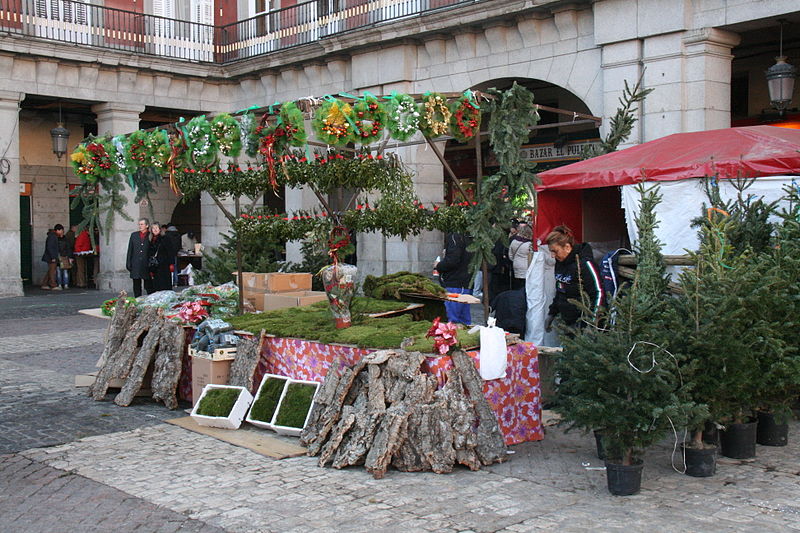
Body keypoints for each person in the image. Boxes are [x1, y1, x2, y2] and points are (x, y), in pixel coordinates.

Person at [544, 225, 602, 331]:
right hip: (568, 322)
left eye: (555, 251)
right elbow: (560, 290)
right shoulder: (560, 263)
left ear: (567, 247)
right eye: (550, 251)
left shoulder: (585, 264)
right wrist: (552, 313)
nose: (552, 256)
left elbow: (598, 293)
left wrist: (592, 324)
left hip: (584, 323)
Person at [434, 232, 473, 325]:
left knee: (453, 320)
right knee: (463, 320)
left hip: (455, 283)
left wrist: (438, 265)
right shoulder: (466, 237)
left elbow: (452, 260)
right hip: (463, 283)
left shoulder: (455, 237)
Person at [147, 222, 176, 292]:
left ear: (160, 229)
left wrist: (172, 263)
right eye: (153, 228)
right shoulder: (152, 240)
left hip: (164, 265)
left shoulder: (165, 238)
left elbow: (170, 251)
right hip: (155, 266)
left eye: (156, 228)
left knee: (164, 285)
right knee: (156, 285)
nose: (155, 230)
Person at [126, 218, 150, 297]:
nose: (140, 226)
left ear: (147, 225)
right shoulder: (134, 235)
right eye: (139, 224)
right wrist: (128, 263)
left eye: (142, 224)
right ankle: (137, 299)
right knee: (136, 285)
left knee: (148, 285)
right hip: (136, 263)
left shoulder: (150, 235)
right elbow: (130, 250)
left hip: (146, 264)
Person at [508, 223, 533, 290]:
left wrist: (515, 260)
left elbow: (510, 255)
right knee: (524, 285)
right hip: (526, 266)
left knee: (517, 284)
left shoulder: (514, 241)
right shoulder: (529, 244)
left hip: (516, 265)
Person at [40, 224, 63, 290]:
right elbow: (50, 247)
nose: (62, 232)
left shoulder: (52, 236)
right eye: (61, 230)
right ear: (58, 230)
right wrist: (53, 257)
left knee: (50, 270)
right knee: (52, 271)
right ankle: (53, 285)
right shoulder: (53, 237)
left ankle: (44, 284)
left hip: (50, 256)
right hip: (51, 257)